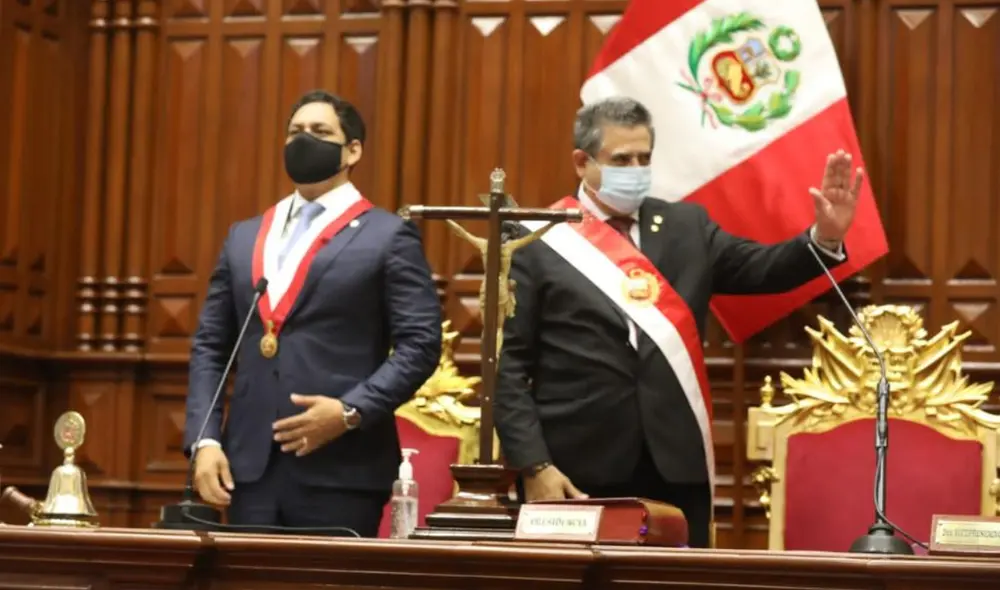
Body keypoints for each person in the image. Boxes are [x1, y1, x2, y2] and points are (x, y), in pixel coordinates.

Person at [494, 97, 862, 548]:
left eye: (644, 158)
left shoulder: (686, 227)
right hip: (576, 466)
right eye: (621, 160)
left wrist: (825, 237)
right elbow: (507, 369)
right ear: (581, 162)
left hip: (674, 463)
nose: (636, 169)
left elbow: (764, 268)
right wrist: (534, 466)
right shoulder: (539, 239)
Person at [184, 90, 442, 537]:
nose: (305, 141)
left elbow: (421, 345)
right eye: (295, 133)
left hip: (341, 472)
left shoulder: (388, 235)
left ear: (353, 150)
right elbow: (211, 346)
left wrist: (349, 410)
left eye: (320, 132)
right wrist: (204, 440)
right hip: (249, 471)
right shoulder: (245, 236)